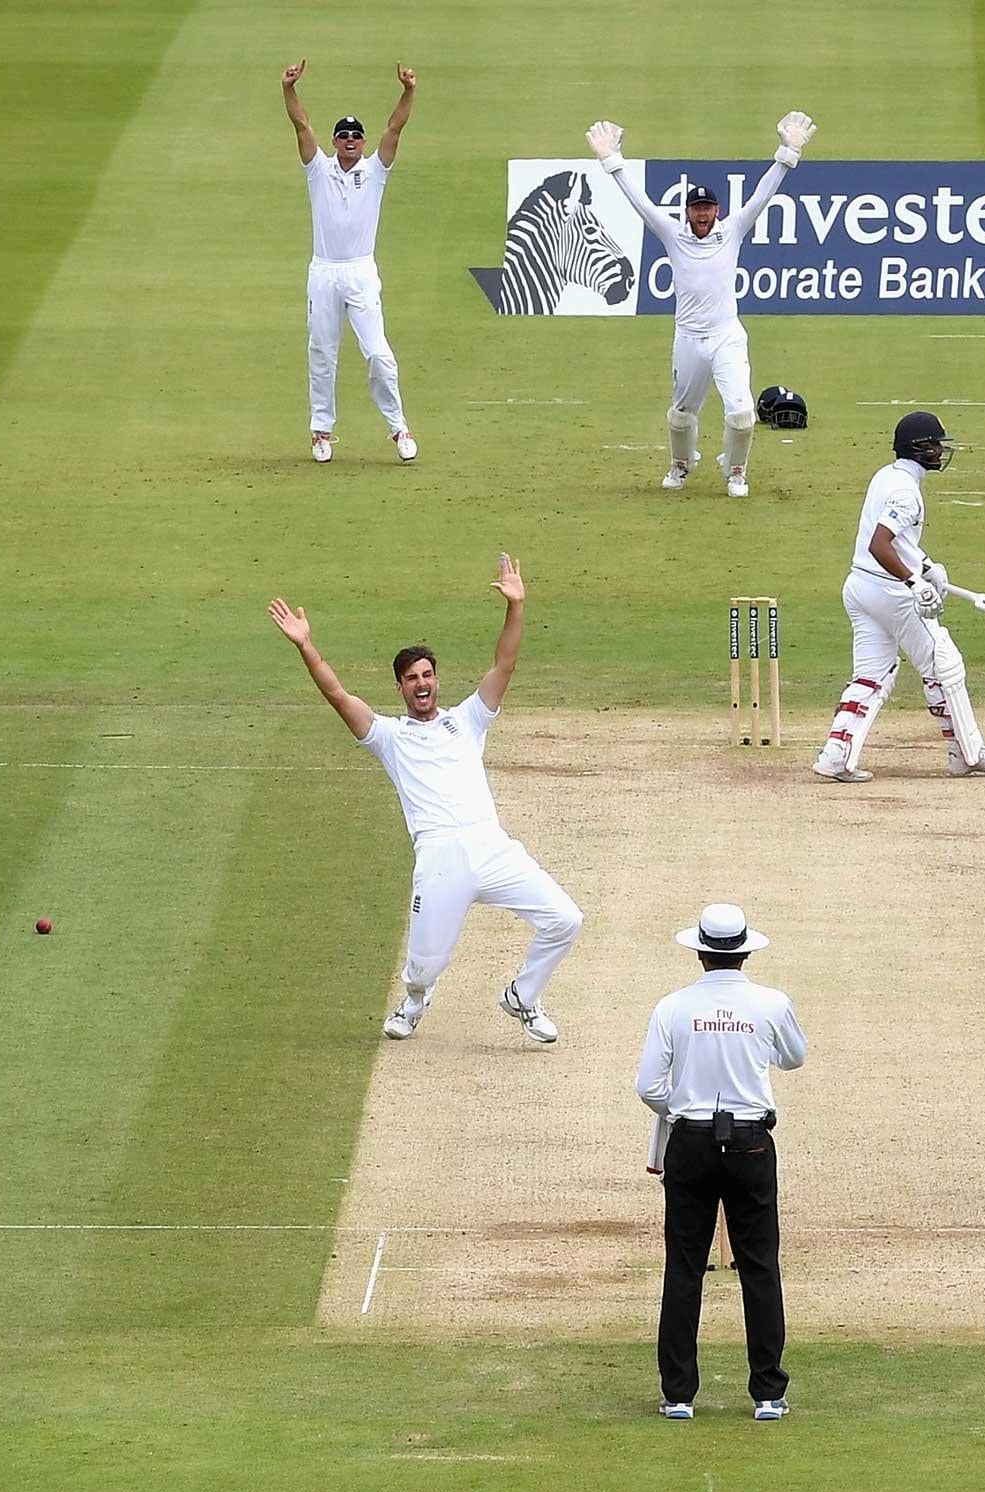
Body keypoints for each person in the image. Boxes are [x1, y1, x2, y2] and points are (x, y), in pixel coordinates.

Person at [267, 554, 582, 1042]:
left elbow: (505, 663)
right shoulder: (389, 737)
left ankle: (523, 995)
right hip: (439, 857)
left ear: (437, 680)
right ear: (399, 687)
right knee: (424, 965)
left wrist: (516, 607)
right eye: (412, 677)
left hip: (491, 847)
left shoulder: (468, 720)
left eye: (428, 675)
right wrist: (307, 645)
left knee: (565, 919)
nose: (422, 684)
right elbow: (338, 696)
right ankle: (414, 1002)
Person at [585, 111, 816, 497]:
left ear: (717, 211)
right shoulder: (673, 234)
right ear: (688, 212)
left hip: (727, 336)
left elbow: (763, 196)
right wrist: (612, 162)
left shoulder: (733, 231)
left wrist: (787, 152)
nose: (703, 214)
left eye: (708, 209)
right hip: (689, 338)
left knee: (742, 416)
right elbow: (640, 204)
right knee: (680, 415)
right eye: (697, 209)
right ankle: (680, 464)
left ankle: (736, 472)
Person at [635, 903, 807, 1422]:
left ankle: (678, 1394)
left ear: (701, 954)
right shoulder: (770, 1003)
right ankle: (768, 1394)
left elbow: (648, 1087)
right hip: (752, 1142)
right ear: (746, 951)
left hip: (689, 1142)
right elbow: (794, 1057)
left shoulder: (672, 1007)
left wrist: (683, 1111)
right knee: (759, 1265)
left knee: (684, 1266)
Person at [809, 412, 985, 782]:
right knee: (943, 665)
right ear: (918, 448)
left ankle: (836, 755)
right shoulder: (906, 492)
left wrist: (927, 565)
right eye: (934, 445)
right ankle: (967, 753)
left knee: (871, 675)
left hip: (860, 588)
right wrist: (914, 582)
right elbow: (879, 545)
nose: (939, 452)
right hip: (891, 593)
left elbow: (896, 542)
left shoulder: (887, 476)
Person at [282, 59, 419, 465]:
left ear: (361, 142)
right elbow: (302, 126)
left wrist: (408, 90)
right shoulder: (318, 170)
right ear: (335, 140)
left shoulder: (375, 170)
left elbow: (394, 128)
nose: (349, 141)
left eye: (355, 136)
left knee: (377, 352)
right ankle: (320, 431)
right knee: (321, 351)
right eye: (343, 136)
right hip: (324, 270)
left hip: (360, 271)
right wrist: (289, 88)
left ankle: (399, 428)